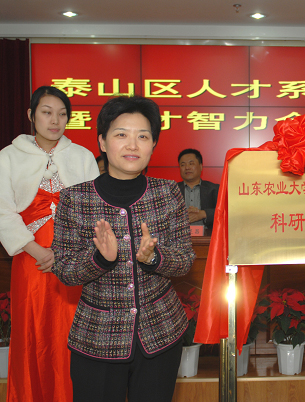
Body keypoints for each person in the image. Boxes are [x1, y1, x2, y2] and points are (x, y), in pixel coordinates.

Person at [52, 96, 195, 402]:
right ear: (102, 141)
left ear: (153, 144)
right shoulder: (74, 199)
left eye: (142, 136)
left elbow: (185, 260)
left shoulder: (167, 192)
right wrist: (99, 259)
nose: (132, 145)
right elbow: (63, 269)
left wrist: (154, 257)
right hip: (97, 339)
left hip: (161, 334)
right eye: (121, 134)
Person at [0, 86, 99, 402]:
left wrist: (65, 253)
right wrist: (37, 250)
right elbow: (2, 211)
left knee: (72, 332)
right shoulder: (8, 157)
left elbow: (94, 212)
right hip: (30, 259)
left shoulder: (82, 156)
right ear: (31, 115)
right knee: (32, 333)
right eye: (46, 112)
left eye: (62, 114)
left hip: (74, 263)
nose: (55, 120)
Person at [177, 148, 219, 235]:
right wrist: (181, 215)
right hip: (179, 238)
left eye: (191, 163)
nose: (187, 168)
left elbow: (226, 212)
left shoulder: (215, 189)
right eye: (183, 165)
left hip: (208, 238)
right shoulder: (171, 190)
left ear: (200, 166)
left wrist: (204, 214)